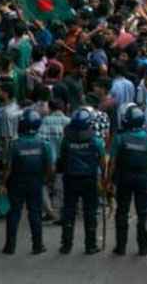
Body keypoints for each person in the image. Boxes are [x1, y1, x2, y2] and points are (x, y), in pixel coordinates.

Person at [107, 103, 147, 256]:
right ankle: (143, 248)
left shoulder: (120, 138)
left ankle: (120, 247)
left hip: (123, 179)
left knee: (121, 211)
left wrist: (109, 181)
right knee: (143, 213)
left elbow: (112, 163)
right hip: (143, 179)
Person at [3, 108, 54, 255]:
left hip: (16, 182)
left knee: (14, 213)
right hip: (35, 182)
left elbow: (8, 168)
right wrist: (47, 181)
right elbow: (49, 167)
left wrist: (2, 184)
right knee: (35, 214)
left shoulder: (14, 145)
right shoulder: (44, 144)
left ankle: (10, 246)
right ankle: (37, 246)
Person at [58, 106, 105, 255]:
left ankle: (66, 245)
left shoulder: (66, 141)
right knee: (90, 212)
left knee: (69, 211)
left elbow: (62, 159)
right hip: (89, 180)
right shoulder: (95, 141)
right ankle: (90, 245)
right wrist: (104, 179)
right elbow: (103, 162)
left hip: (70, 179)